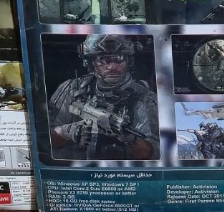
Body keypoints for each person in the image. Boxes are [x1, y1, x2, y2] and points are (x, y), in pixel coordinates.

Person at [48, 31, 159, 161]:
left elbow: (152, 154)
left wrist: (130, 139)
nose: (112, 67)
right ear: (91, 62)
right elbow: (45, 140)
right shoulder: (72, 89)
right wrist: (67, 132)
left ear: (129, 61)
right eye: (103, 60)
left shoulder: (144, 98)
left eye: (119, 59)